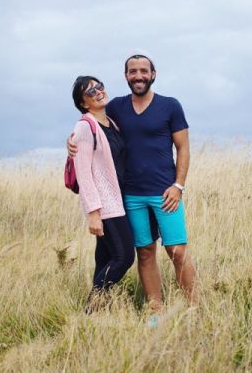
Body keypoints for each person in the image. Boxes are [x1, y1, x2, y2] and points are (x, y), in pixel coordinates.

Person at [68, 55, 197, 318]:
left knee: (178, 252)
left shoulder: (170, 106)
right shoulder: (116, 107)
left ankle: (195, 309)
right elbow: (90, 126)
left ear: (153, 74)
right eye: (132, 71)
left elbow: (183, 148)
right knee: (145, 252)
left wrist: (178, 185)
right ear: (126, 76)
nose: (138, 76)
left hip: (166, 194)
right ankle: (156, 312)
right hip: (131, 196)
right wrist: (69, 143)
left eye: (143, 71)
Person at [70, 75, 134, 313]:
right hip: (106, 205)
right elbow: (83, 173)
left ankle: (97, 315)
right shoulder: (85, 126)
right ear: (84, 103)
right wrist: (93, 213)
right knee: (124, 257)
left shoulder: (112, 123)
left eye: (100, 86)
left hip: (118, 200)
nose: (98, 92)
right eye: (90, 92)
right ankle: (90, 308)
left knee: (105, 258)